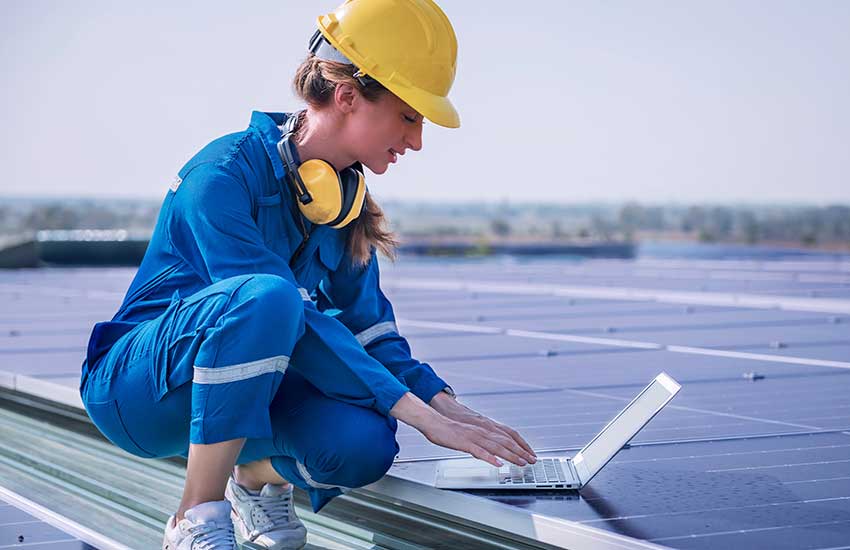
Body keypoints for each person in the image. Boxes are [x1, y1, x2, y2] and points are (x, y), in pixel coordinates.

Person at [79, 1, 536, 548]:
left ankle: (253, 480)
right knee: (269, 298)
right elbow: (276, 309)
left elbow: (372, 335)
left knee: (364, 444)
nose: (416, 141)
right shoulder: (221, 175)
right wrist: (419, 414)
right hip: (142, 394)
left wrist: (445, 406)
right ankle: (195, 518)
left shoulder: (342, 205)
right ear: (348, 96)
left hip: (247, 401)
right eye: (409, 116)